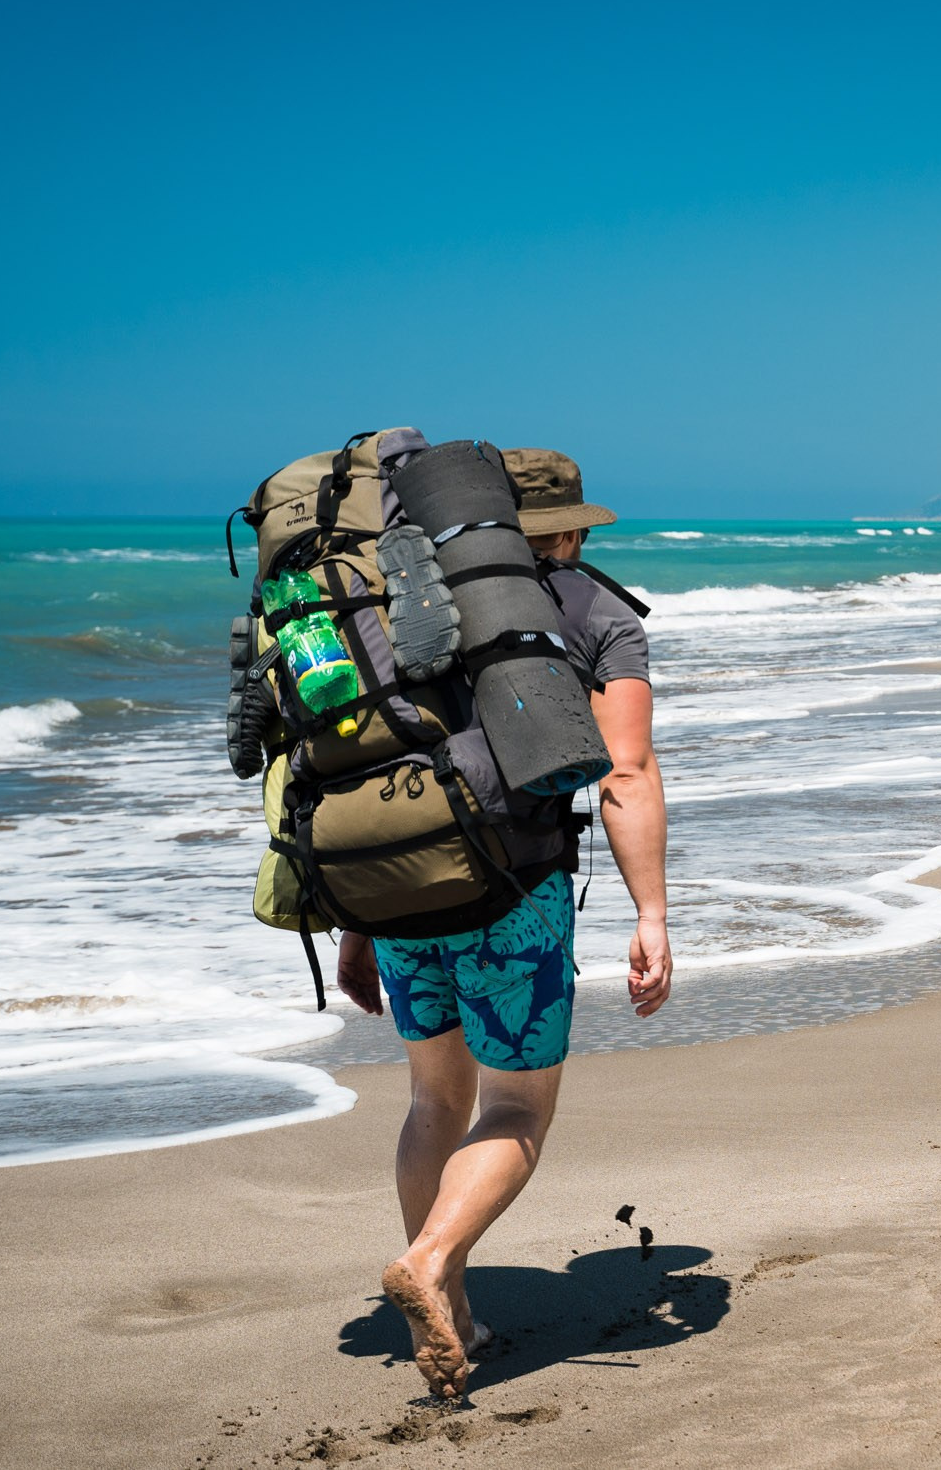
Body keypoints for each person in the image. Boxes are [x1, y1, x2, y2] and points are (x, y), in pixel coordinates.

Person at [333, 447, 672, 1400]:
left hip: (396, 889)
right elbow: (626, 773)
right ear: (562, 530)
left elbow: (372, 772)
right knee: (515, 1106)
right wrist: (650, 913)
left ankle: (456, 1313)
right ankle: (433, 1260)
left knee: (432, 1100)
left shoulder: (401, 606)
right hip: (510, 892)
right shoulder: (595, 614)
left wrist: (356, 920)